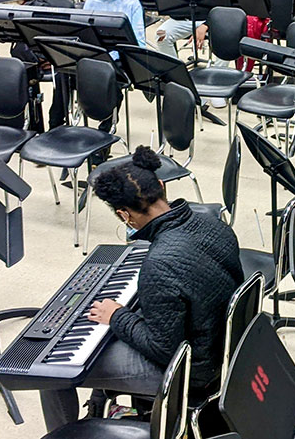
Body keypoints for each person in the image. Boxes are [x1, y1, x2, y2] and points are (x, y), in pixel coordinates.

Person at [39, 146, 243, 432]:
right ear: (161, 186)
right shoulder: (212, 222)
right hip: (222, 351)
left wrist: (117, 316)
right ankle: (102, 407)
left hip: (190, 374)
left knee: (50, 371)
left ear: (125, 215)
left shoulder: (159, 264)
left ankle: (66, 435)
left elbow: (161, 348)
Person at [48, 0, 146, 131]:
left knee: (109, 78)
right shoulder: (92, 1)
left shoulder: (131, 3)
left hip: (117, 62)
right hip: (92, 56)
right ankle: (55, 126)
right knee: (62, 72)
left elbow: (139, 44)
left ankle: (106, 129)